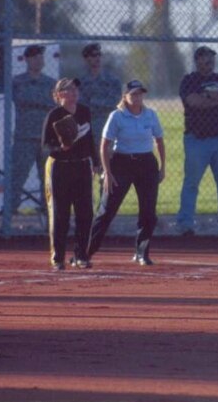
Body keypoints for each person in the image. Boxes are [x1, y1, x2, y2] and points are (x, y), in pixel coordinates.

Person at [87, 80, 165, 266]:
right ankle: (85, 252)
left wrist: (162, 168)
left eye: (140, 93)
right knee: (106, 210)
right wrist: (108, 172)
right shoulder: (117, 116)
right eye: (133, 94)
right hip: (121, 163)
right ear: (125, 96)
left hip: (146, 163)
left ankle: (142, 252)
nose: (137, 97)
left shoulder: (150, 115)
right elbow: (105, 145)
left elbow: (159, 141)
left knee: (148, 211)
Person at [177, 45, 218, 238]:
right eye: (206, 59)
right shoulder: (189, 80)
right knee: (191, 184)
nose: (210, 62)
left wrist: (209, 96)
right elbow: (194, 102)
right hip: (197, 140)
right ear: (197, 60)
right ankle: (185, 225)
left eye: (212, 59)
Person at [41, 78, 99, 271]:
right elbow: (46, 144)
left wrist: (96, 162)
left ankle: (81, 256)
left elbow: (90, 138)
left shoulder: (84, 111)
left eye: (75, 88)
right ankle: (58, 257)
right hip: (60, 167)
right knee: (60, 213)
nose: (74, 92)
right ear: (58, 95)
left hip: (82, 166)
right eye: (68, 89)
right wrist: (61, 147)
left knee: (85, 213)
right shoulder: (54, 115)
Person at [11, 44, 55, 213]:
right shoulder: (17, 82)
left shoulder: (51, 83)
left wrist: (33, 100)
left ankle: (48, 210)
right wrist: (40, 101)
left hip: (46, 138)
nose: (39, 60)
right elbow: (20, 99)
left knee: (48, 177)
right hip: (24, 137)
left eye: (41, 57)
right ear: (27, 59)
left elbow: (53, 103)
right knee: (17, 177)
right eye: (35, 57)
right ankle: (11, 211)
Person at [78, 43, 122, 147]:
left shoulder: (112, 81)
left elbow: (114, 102)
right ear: (86, 59)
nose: (97, 58)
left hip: (108, 125)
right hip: (87, 128)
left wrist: (93, 101)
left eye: (99, 55)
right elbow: (82, 105)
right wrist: (101, 103)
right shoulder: (81, 82)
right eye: (93, 55)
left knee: (108, 159)